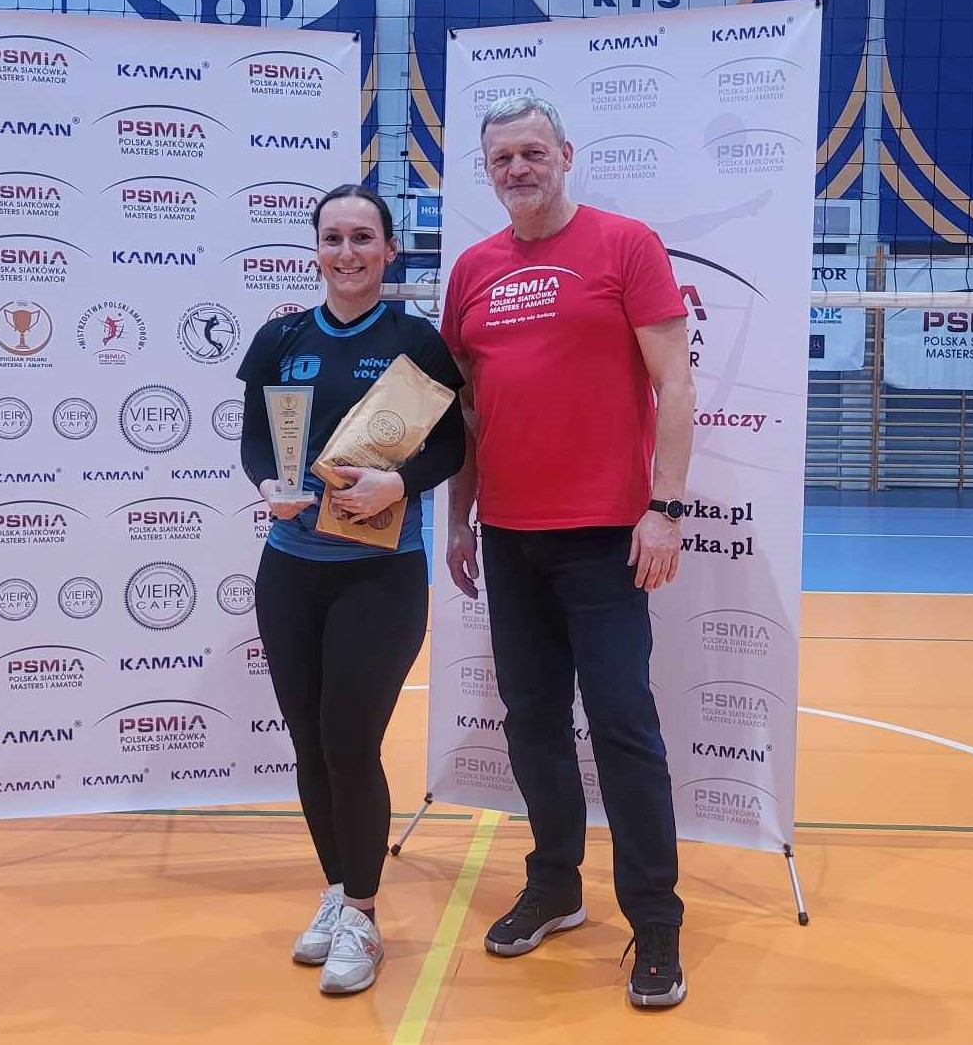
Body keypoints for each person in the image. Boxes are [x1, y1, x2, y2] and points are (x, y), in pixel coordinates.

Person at [440, 96, 694, 1008]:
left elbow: (674, 381)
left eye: (532, 152)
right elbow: (465, 410)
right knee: (533, 720)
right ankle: (555, 884)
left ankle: (655, 922)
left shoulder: (626, 244)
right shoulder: (472, 269)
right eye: (501, 157)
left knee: (623, 723)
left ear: (565, 155)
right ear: (488, 171)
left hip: (605, 535)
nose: (518, 168)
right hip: (510, 536)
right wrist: (459, 518)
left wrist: (664, 508)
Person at [237, 184, 465, 996]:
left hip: (380, 574)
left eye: (363, 237)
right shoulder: (281, 337)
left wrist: (398, 485)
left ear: (389, 250)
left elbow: (452, 447)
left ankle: (363, 918)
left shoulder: (416, 342)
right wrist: (269, 484)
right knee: (309, 742)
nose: (347, 252)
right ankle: (338, 891)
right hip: (290, 569)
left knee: (349, 742)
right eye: (332, 237)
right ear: (317, 250)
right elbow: (255, 437)